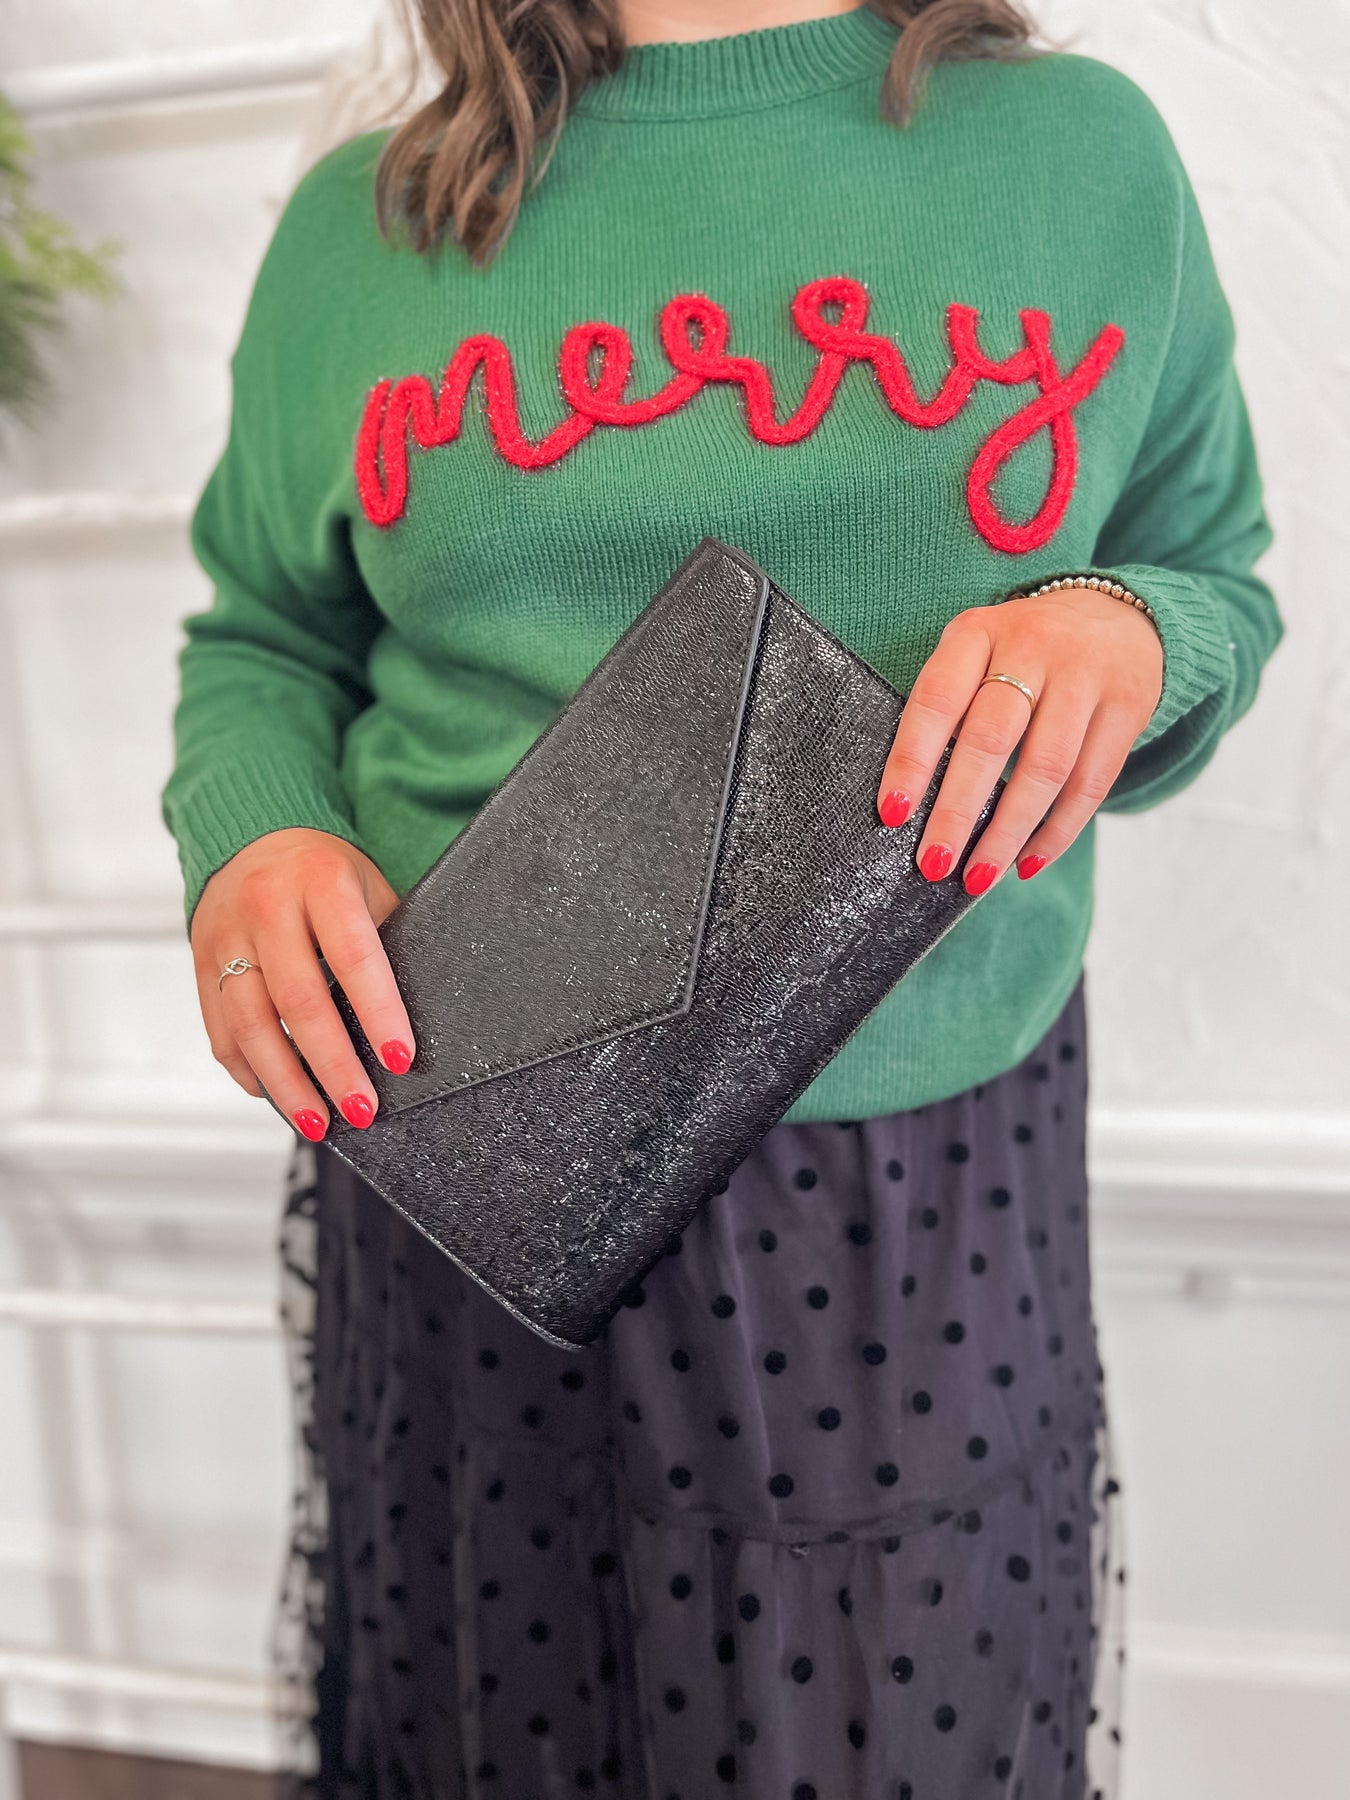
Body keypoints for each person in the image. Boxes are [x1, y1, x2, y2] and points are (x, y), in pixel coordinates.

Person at [160, 2, 1285, 1795]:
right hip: (469, 1132)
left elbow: (1210, 568)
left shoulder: (1080, 157)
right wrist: (256, 836)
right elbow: (266, 637)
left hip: (912, 1182)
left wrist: (1128, 629)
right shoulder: (365, 227)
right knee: (492, 1720)